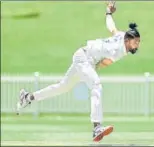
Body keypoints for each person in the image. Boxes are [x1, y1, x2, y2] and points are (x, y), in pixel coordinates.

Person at [16, 1, 140, 142]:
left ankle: (28, 97)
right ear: (128, 40)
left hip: (83, 58)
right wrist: (92, 70)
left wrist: (108, 12)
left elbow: (111, 27)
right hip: (84, 59)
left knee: (62, 87)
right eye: (136, 42)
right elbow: (105, 62)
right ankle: (97, 126)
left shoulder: (121, 36)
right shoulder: (121, 50)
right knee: (96, 85)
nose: (137, 45)